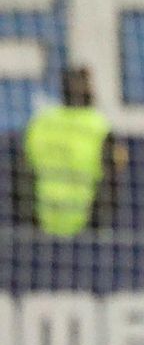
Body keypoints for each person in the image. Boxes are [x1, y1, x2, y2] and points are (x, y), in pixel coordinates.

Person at [19, 67, 123, 236]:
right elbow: (110, 182)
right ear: (89, 90)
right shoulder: (98, 127)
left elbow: (23, 177)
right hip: (86, 228)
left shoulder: (41, 123)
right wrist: (100, 225)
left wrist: (28, 223)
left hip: (42, 225)